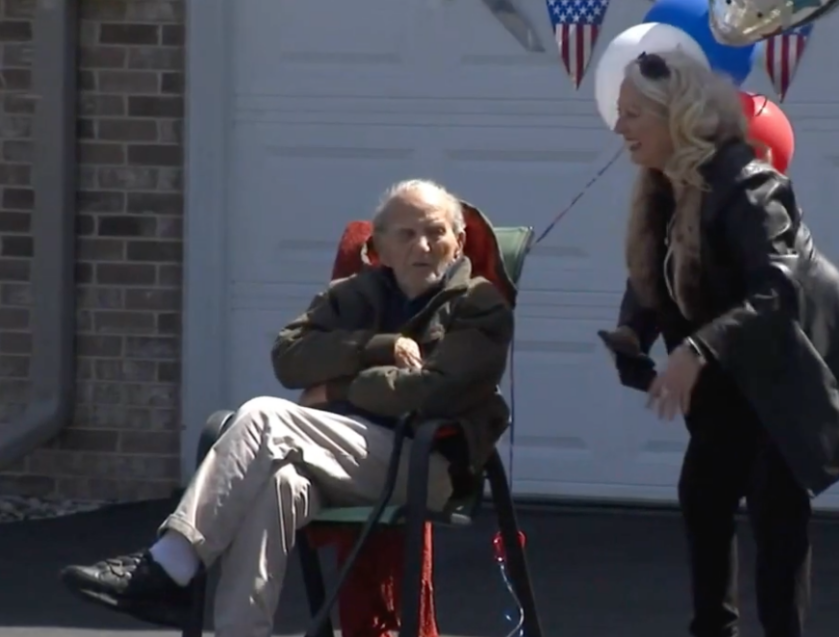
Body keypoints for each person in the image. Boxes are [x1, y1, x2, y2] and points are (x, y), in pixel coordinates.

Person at [60, 179, 514, 637]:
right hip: (337, 459)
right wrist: (376, 347)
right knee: (277, 485)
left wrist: (338, 389)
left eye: (436, 232)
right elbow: (290, 358)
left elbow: (434, 392)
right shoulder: (355, 293)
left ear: (458, 242)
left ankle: (170, 565)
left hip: (426, 463)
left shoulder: (479, 305)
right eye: (407, 234)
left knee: (264, 417)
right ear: (381, 247)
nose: (423, 245)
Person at [599, 51, 839, 637]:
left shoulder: (749, 184)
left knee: (776, 512)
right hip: (730, 368)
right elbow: (654, 273)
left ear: (676, 116)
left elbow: (779, 288)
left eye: (632, 114)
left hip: (789, 368)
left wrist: (696, 351)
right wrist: (634, 331)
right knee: (703, 494)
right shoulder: (662, 185)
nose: (619, 127)